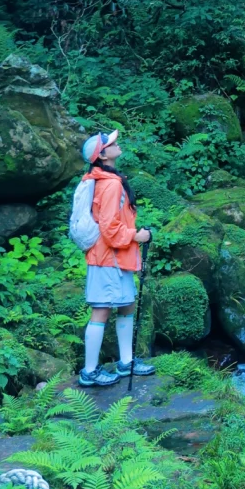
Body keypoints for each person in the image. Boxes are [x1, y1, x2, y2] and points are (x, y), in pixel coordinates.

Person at [77, 129, 156, 388]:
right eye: (111, 143)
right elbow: (110, 229)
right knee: (101, 309)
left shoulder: (106, 179)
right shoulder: (110, 184)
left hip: (115, 257)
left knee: (127, 305)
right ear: (102, 155)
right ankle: (89, 372)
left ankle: (126, 362)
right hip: (107, 257)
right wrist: (137, 236)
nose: (116, 144)